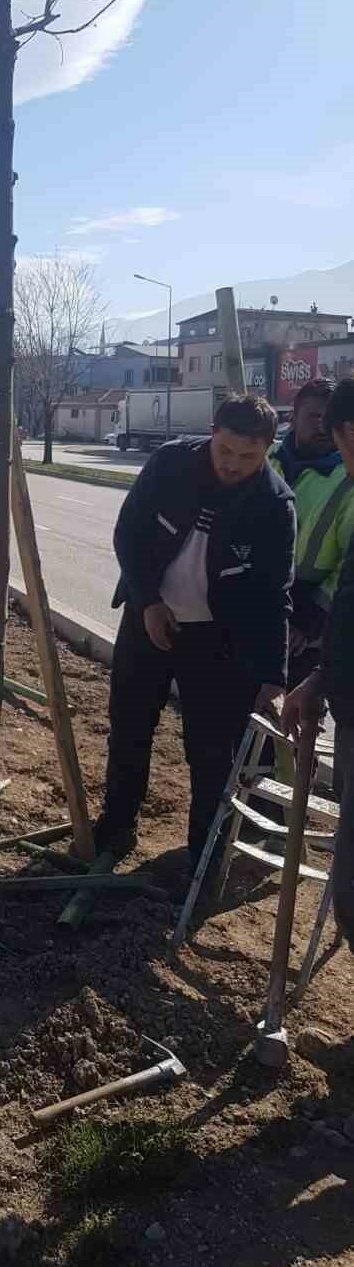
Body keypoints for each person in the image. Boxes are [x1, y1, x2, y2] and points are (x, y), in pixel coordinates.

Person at [96, 392, 296, 878]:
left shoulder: (274, 506)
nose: (233, 464)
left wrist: (274, 675)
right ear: (211, 433)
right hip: (148, 620)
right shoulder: (170, 465)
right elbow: (128, 534)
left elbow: (275, 594)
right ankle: (116, 826)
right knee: (129, 726)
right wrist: (148, 601)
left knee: (211, 750)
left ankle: (203, 855)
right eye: (225, 450)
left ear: (267, 450)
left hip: (217, 642)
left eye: (248, 456)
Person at [282, 377, 354, 949]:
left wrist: (312, 622)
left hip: (309, 614)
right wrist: (324, 677)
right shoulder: (274, 459)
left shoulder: (345, 485)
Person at [270, 378, 354, 683]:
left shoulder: (347, 479)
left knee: (295, 704)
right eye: (313, 416)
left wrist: (313, 615)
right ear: (293, 416)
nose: (321, 426)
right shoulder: (264, 458)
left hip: (306, 620)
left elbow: (348, 562)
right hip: (252, 600)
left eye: (327, 418)